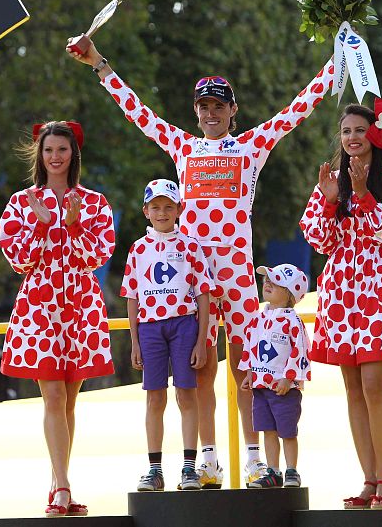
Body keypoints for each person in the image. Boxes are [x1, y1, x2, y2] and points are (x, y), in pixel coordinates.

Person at [68, 36, 337, 487]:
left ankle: (255, 459)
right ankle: (207, 458)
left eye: (219, 107)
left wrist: (337, 61)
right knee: (202, 370)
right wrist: (99, 64)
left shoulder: (252, 146)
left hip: (236, 272)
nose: (211, 114)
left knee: (250, 367)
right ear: (196, 112)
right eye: (204, 107)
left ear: (234, 111)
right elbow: (138, 113)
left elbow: (298, 109)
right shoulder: (182, 147)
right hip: (193, 279)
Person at [299, 100, 382, 509]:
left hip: (378, 286)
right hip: (339, 289)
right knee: (352, 387)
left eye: (359, 130)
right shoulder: (328, 180)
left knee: (374, 384)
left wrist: (361, 195)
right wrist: (332, 200)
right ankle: (369, 480)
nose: (352, 137)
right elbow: (319, 240)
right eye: (346, 131)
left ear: (375, 134)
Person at [0, 120, 115, 517]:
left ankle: (57, 482)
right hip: (40, 307)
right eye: (49, 150)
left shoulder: (95, 202)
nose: (55, 157)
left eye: (62, 149)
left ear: (73, 154)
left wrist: (74, 223)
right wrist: (43, 225)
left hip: (81, 307)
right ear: (40, 154)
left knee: (68, 403)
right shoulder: (20, 202)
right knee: (54, 396)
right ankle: (63, 486)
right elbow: (18, 259)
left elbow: (97, 257)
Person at [122, 178, 214, 491]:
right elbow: (132, 296)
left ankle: (189, 467)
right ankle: (154, 470)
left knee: (187, 393)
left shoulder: (190, 245)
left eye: (168, 206)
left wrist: (201, 340)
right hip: (150, 328)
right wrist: (134, 340)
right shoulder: (138, 249)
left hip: (184, 324)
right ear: (145, 211)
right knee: (154, 397)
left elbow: (203, 293)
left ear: (179, 210)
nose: (162, 212)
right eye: (156, 207)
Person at [239, 264, 311, 489]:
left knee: (287, 431)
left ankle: (291, 470)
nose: (267, 283)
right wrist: (249, 373)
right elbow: (251, 346)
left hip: (283, 388)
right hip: (260, 388)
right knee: (267, 429)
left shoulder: (293, 321)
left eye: (276, 282)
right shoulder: (257, 320)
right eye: (267, 279)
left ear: (290, 294)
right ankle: (273, 471)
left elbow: (300, 350)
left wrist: (289, 378)